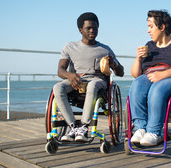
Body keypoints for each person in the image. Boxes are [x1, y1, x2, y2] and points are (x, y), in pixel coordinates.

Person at [53, 12, 124, 142]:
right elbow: (60, 70)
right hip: (78, 79)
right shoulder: (70, 47)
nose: (92, 31)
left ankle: (84, 127)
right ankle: (73, 126)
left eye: (95, 28)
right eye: (88, 28)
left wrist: (114, 64)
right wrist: (70, 75)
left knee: (92, 85)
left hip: (98, 81)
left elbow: (121, 72)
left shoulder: (105, 49)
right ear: (80, 30)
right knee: (57, 87)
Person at [129, 10, 171, 146]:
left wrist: (163, 75)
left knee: (157, 88)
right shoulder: (149, 46)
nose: (148, 31)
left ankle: (153, 131)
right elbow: (136, 74)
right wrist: (139, 58)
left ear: (162, 27)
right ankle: (140, 127)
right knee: (137, 84)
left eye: (151, 26)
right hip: (151, 76)